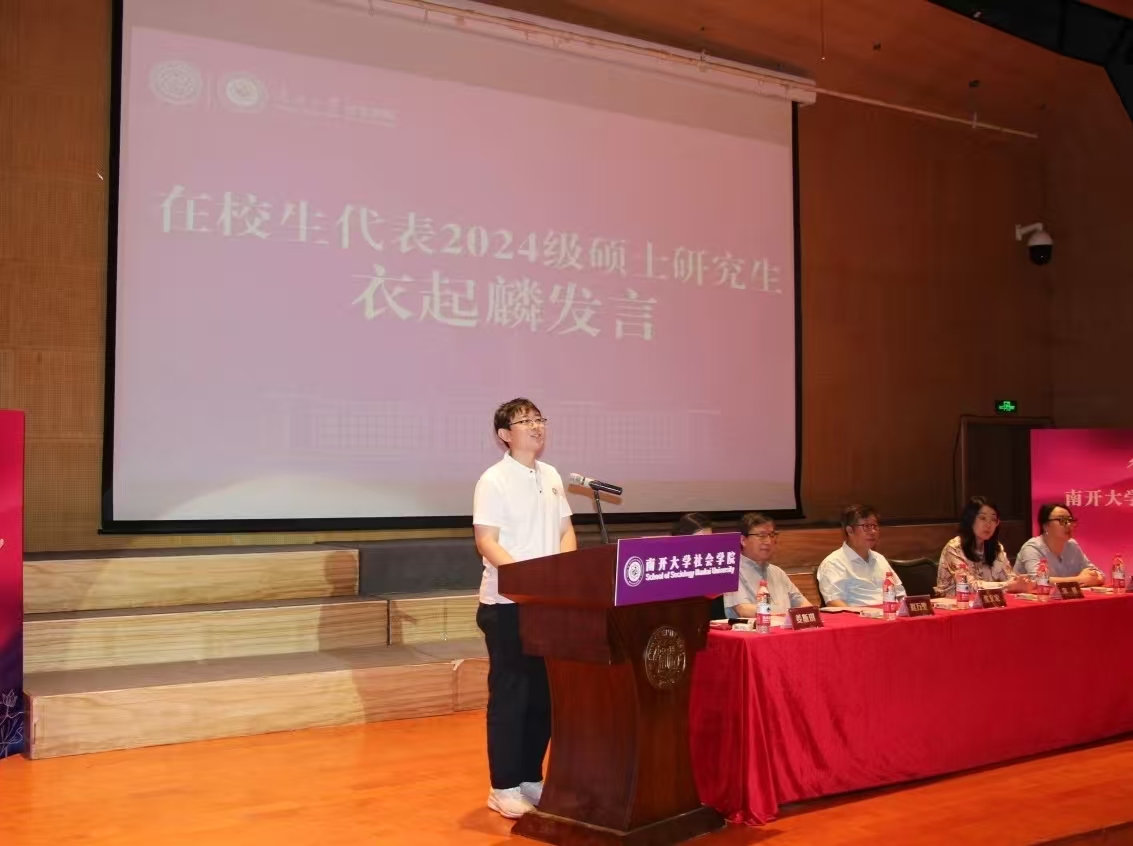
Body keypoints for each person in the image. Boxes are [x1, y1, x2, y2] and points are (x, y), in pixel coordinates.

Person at [473, 398, 576, 820]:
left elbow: (566, 530)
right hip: (507, 604)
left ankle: (530, 777)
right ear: (504, 434)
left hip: (548, 604)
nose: (536, 426)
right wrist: (528, 579)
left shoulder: (550, 475)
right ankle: (502, 786)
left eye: (539, 419)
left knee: (544, 696)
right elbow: (487, 541)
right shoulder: (493, 480)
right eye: (525, 421)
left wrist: (563, 573)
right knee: (511, 696)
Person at [936, 496, 1033, 596]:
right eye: (983, 518)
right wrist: (1008, 586)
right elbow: (968, 586)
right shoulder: (954, 548)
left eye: (993, 519)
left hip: (987, 602)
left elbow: (1010, 578)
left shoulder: (996, 548)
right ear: (970, 519)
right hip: (955, 603)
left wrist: (1020, 582)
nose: (988, 524)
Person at [817, 504, 906, 607]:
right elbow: (834, 603)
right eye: (866, 526)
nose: (873, 531)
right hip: (859, 615)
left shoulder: (880, 559)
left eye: (875, 526)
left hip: (890, 613)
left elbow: (900, 595)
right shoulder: (833, 563)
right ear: (850, 530)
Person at [724, 512, 810, 617]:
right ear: (743, 540)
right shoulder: (730, 571)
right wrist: (783, 616)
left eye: (772, 535)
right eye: (762, 536)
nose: (768, 541)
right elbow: (744, 609)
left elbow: (803, 604)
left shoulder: (778, 572)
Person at [1014, 503, 1104, 586]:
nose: (1068, 524)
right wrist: (1079, 579)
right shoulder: (1032, 547)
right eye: (1062, 520)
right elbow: (1038, 580)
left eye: (1070, 520)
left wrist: (1095, 578)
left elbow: (1098, 573)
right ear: (1045, 526)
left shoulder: (1072, 545)